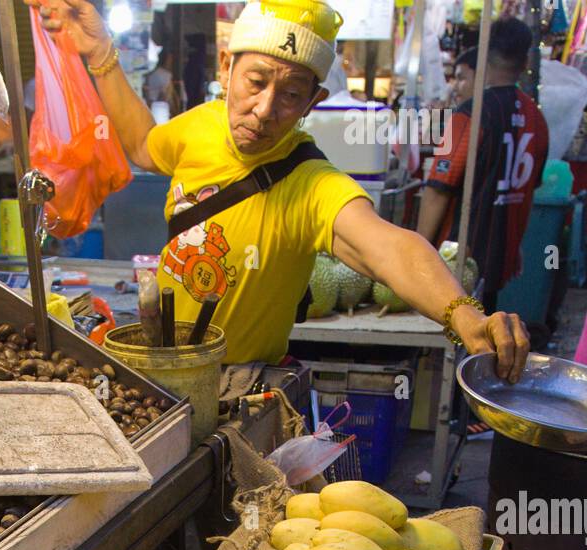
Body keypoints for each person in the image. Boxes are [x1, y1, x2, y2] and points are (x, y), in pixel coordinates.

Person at [28, 0, 530, 382]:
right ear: (227, 67)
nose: (266, 109)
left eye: (290, 95)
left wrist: (464, 316)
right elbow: (141, 145)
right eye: (255, 81)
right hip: (159, 371)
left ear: (312, 102)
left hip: (236, 384)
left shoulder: (311, 183)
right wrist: (101, 55)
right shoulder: (197, 128)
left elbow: (387, 248)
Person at [417, 17, 549, 312]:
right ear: (526, 59)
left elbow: (438, 189)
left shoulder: (469, 115)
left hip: (458, 261)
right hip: (498, 261)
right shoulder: (537, 120)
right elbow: (530, 189)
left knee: (449, 345)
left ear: (484, 54)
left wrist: (417, 256)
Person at [143, 47, 177, 114]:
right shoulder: (166, 75)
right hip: (160, 110)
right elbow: (168, 98)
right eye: (170, 59)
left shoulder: (149, 74)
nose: (172, 62)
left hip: (148, 108)